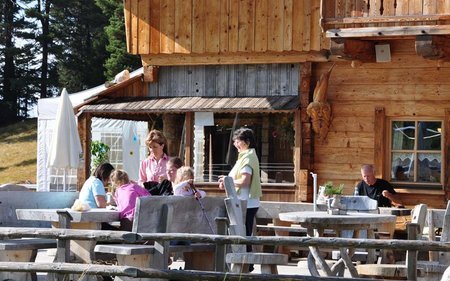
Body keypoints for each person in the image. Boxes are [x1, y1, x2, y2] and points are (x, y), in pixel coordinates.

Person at [218, 127, 262, 271]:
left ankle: (247, 264)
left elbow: (245, 181)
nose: (235, 144)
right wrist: (227, 182)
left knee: (245, 233)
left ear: (247, 142)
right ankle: (246, 263)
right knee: (244, 232)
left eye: (238, 141)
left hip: (246, 203)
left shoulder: (248, 157)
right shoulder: (245, 156)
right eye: (235, 141)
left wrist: (227, 181)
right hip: (243, 202)